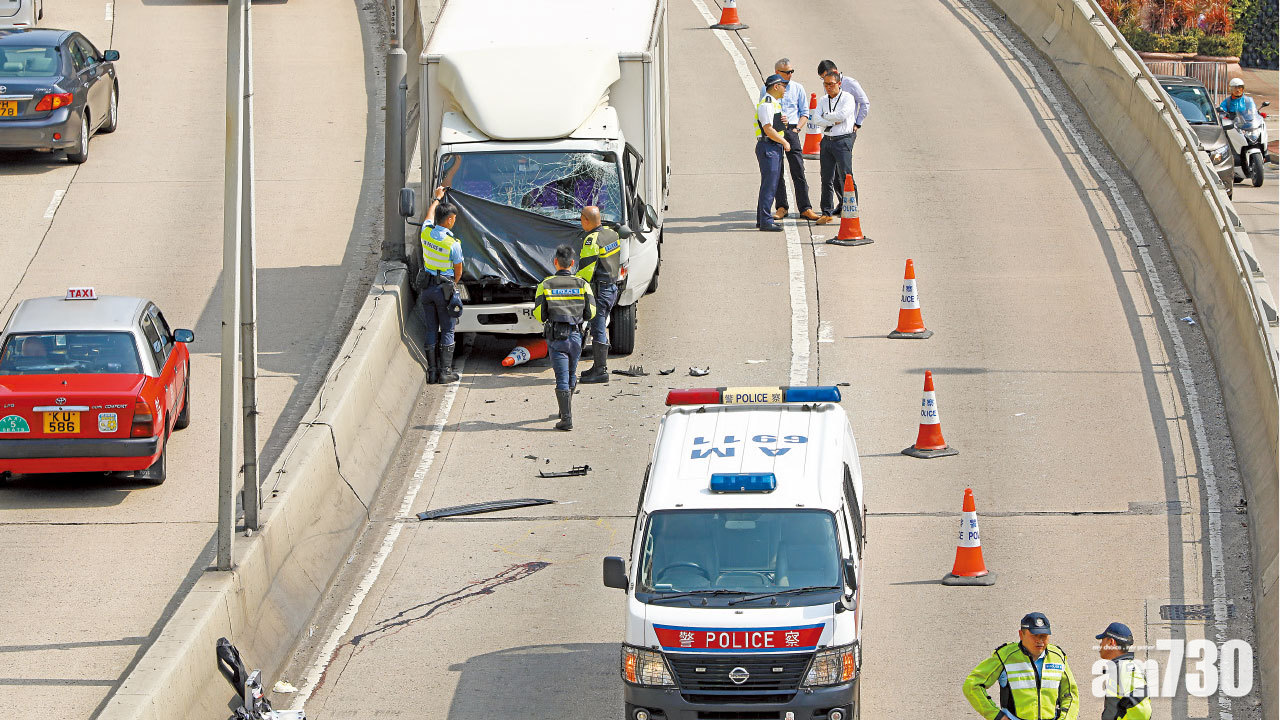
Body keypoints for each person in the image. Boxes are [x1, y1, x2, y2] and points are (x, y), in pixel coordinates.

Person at [963, 612, 1080, 720]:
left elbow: (1070, 694)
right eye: (1034, 635)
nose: (1040, 641)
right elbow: (972, 685)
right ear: (1021, 634)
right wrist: (996, 716)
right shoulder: (1005, 656)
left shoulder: (1057, 657)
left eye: (1044, 636)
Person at [533, 245, 596, 430]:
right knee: (571, 374)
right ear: (572, 263)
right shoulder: (582, 284)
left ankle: (566, 419)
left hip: (557, 338)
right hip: (576, 336)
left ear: (555, 262)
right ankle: (564, 410)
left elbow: (539, 314)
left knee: (561, 378)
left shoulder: (545, 284)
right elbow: (591, 312)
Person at [757, 58, 819, 221]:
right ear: (777, 72)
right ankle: (782, 206)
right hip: (775, 130)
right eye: (786, 72)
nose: (790, 75)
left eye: (792, 71)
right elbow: (764, 111)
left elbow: (804, 112)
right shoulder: (767, 89)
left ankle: (805, 207)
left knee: (798, 169)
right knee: (777, 170)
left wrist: (797, 128)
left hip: (791, 129)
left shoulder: (798, 88)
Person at [418, 185, 464, 384]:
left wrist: (437, 198)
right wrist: (453, 285)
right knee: (447, 330)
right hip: (444, 290)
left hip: (427, 288)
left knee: (431, 329)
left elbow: (429, 215)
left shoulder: (425, 232)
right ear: (450, 219)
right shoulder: (453, 244)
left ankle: (432, 372)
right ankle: (445, 372)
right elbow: (458, 271)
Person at [576, 206, 619, 384]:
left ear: (586, 220)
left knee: (598, 329)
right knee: (598, 327)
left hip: (600, 291)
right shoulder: (611, 234)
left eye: (581, 219)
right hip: (612, 288)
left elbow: (585, 273)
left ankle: (601, 371)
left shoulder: (591, 240)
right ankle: (597, 367)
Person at [811, 74, 858, 224]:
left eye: (831, 84)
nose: (828, 87)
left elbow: (842, 115)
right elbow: (816, 118)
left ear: (839, 83)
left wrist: (825, 116)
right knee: (826, 177)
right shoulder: (823, 100)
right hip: (827, 140)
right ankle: (826, 211)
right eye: (825, 84)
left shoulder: (847, 98)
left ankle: (851, 209)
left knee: (846, 175)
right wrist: (831, 120)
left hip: (842, 140)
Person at [754, 74, 789, 232]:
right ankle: (766, 220)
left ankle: (762, 219)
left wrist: (783, 124)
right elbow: (768, 129)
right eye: (783, 86)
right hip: (769, 146)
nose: (785, 89)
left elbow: (774, 126)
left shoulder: (773, 103)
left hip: (773, 146)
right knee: (769, 185)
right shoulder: (767, 104)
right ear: (776, 86)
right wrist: (784, 142)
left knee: (770, 184)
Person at [1095, 623, 1151, 720]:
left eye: (1103, 641)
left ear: (1111, 642)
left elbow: (1112, 711)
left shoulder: (1119, 671)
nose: (1100, 645)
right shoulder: (1134, 667)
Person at [816, 60, 871, 141]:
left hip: (847, 132)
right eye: (823, 78)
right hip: (831, 129)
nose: (825, 81)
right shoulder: (827, 84)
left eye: (825, 76)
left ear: (835, 71)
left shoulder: (850, 83)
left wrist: (858, 123)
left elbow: (865, 103)